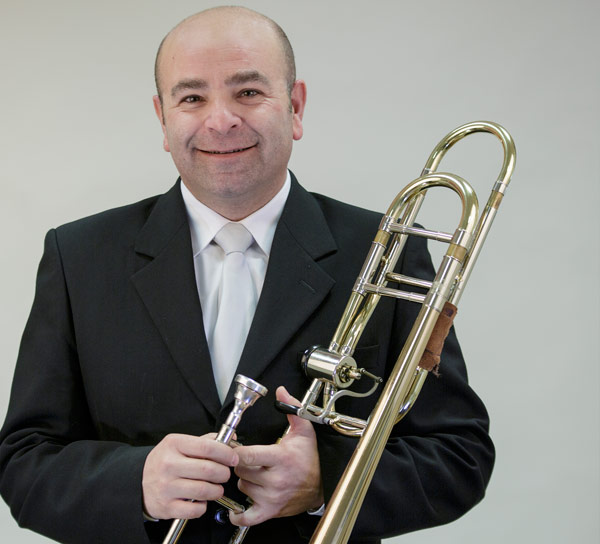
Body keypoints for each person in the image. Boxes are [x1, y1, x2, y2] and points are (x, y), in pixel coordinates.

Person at [0, 6, 494, 544]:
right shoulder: (79, 257)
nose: (221, 120)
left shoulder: (390, 250)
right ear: (163, 119)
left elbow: (459, 454)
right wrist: (133, 482)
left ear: (295, 107)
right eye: (192, 98)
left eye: (249, 92)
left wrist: (326, 482)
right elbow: (23, 462)